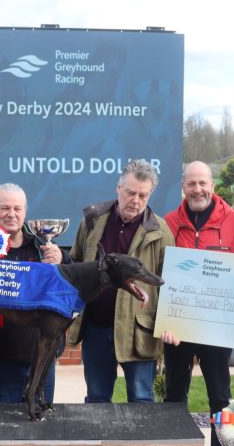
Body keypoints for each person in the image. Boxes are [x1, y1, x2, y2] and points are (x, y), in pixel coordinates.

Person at [161, 161, 234, 446]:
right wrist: (167, 319)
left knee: (219, 395)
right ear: (183, 187)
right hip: (179, 326)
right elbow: (160, 273)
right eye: (191, 184)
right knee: (175, 392)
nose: (197, 189)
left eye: (203, 183)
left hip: (218, 325)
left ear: (212, 185)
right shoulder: (168, 223)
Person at [66, 159, 174, 403]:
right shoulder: (92, 220)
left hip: (139, 333)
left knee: (142, 401)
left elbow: (171, 284)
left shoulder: (161, 231)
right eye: (131, 193)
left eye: (143, 195)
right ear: (118, 188)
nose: (136, 200)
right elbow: (76, 264)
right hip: (96, 328)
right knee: (97, 401)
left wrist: (170, 323)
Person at [0, 183, 70, 403]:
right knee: (1, 422)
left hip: (41, 359)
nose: (11, 214)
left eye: (17, 208)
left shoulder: (43, 247)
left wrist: (62, 260)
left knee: (41, 421)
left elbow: (70, 284)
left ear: (25, 212)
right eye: (5, 208)